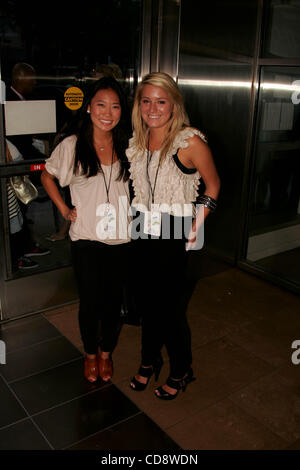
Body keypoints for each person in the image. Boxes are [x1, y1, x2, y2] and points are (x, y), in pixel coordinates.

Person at [127, 72, 221, 400]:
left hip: (174, 231)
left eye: (161, 101)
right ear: (139, 105)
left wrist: (197, 224)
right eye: (146, 100)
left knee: (168, 310)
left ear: (174, 104)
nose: (153, 108)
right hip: (141, 229)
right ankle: (149, 360)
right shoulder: (137, 142)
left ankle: (182, 370)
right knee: (146, 304)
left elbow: (213, 186)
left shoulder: (189, 141)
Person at [41, 77, 131, 383]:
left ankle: (107, 354)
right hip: (87, 239)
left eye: (115, 106)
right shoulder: (73, 145)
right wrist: (65, 210)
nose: (108, 112)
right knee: (91, 302)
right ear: (89, 107)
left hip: (121, 238)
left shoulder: (127, 144)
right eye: (101, 104)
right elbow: (47, 176)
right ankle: (90, 355)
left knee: (113, 304)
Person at [5, 63, 46, 160]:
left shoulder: (22, 99)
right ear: (20, 78)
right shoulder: (10, 103)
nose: (35, 82)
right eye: (32, 78)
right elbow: (20, 142)